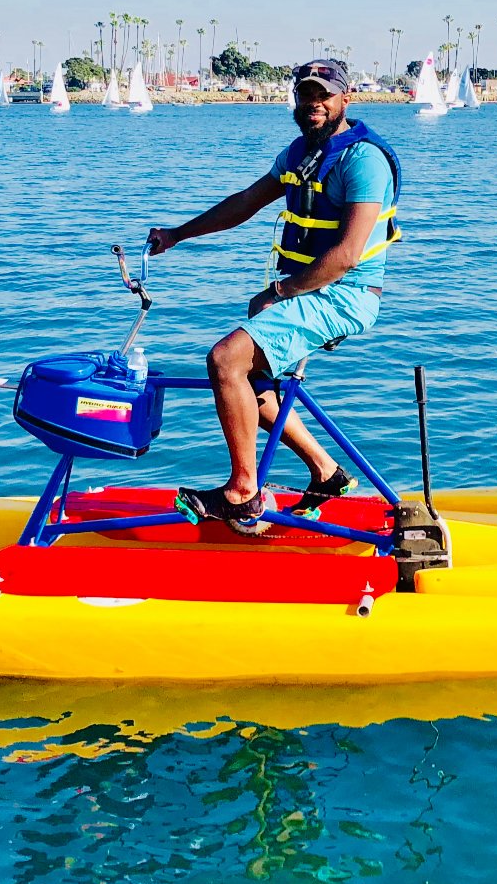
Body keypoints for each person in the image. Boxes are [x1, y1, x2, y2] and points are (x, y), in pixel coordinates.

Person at [146, 59, 401, 531]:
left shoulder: (363, 160)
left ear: (345, 98)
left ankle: (243, 494)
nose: (314, 104)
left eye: (324, 94)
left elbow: (346, 255)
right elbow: (245, 202)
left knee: (226, 359)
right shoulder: (299, 154)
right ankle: (327, 472)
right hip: (309, 290)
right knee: (249, 379)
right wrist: (177, 235)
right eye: (306, 95)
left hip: (345, 294)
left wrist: (279, 291)